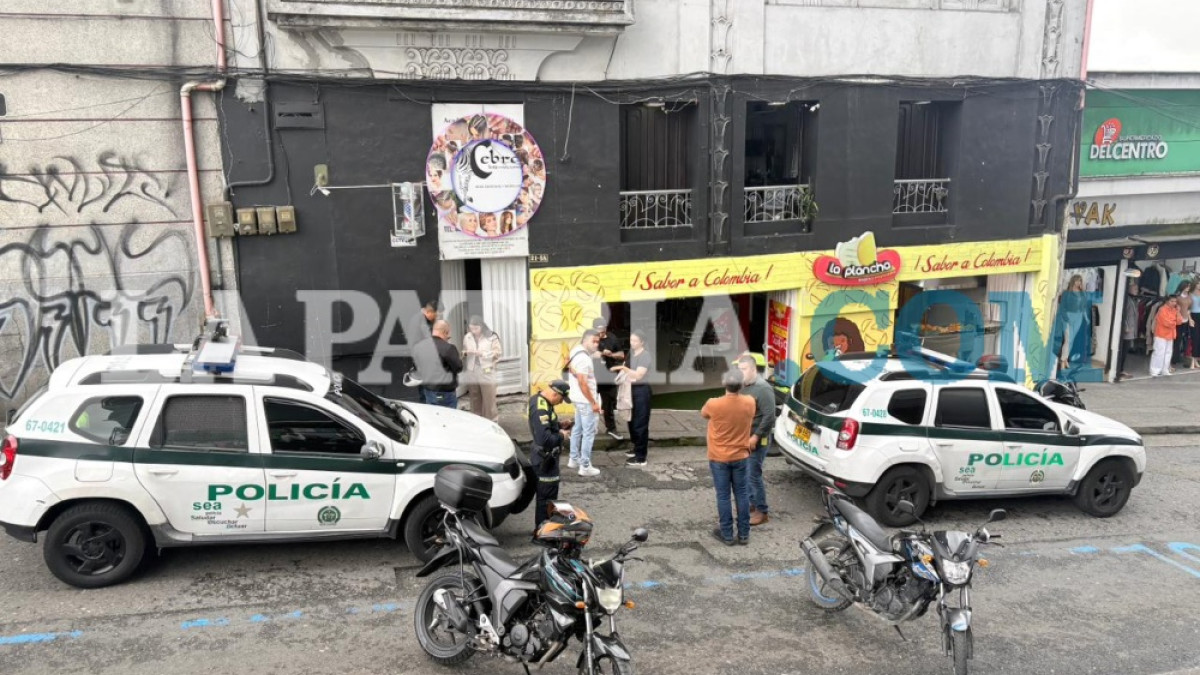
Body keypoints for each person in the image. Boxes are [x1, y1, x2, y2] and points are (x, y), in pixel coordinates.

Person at [701, 370, 755, 546]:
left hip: (719, 457)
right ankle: (744, 534)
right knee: (742, 494)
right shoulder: (750, 402)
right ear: (742, 385)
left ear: (724, 383)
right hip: (741, 456)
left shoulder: (713, 403)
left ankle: (727, 534)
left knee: (723, 496)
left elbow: (704, 414)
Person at [737, 353, 777, 527]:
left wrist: (755, 437)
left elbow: (769, 417)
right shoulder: (744, 386)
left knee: (753, 475)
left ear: (753, 369)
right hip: (743, 438)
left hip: (757, 440)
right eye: (739, 369)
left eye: (744, 369)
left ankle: (762, 511)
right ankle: (752, 505)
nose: (740, 372)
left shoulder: (763, 388)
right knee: (745, 474)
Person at [528, 380, 573, 529]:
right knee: (546, 498)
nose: (561, 403)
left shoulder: (541, 400)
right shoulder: (540, 408)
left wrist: (559, 425)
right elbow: (545, 439)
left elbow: (545, 427)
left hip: (546, 458)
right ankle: (543, 531)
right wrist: (562, 435)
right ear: (555, 394)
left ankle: (544, 529)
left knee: (547, 496)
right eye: (561, 399)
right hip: (545, 460)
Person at [613, 330, 652, 466]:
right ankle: (636, 447)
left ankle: (641, 457)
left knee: (640, 423)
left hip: (641, 391)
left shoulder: (645, 356)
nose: (632, 343)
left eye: (635, 341)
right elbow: (626, 366)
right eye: (631, 340)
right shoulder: (631, 352)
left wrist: (623, 369)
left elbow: (638, 375)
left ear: (642, 342)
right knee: (631, 420)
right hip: (630, 389)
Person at [567, 329, 602, 477]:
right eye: (594, 341)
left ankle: (573, 459)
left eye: (598, 342)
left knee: (577, 428)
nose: (596, 344)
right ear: (585, 340)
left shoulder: (576, 351)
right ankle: (585, 466)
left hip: (577, 398)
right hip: (585, 401)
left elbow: (570, 368)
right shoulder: (584, 359)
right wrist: (593, 402)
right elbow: (583, 382)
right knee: (589, 433)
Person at [591, 319, 626, 441]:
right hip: (592, 377)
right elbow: (587, 353)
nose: (600, 333)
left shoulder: (612, 338)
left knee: (609, 403)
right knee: (588, 404)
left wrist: (611, 354)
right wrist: (601, 352)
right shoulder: (590, 338)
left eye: (602, 329)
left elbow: (621, 355)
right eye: (598, 330)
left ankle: (611, 428)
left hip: (608, 376)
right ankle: (588, 428)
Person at [414, 320, 462, 407]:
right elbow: (458, 367)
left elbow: (416, 367)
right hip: (445, 392)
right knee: (448, 414)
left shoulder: (419, 346)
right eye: (448, 334)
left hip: (427, 390)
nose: (448, 337)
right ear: (445, 332)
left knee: (432, 413)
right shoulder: (448, 348)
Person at [462, 315, 502, 421]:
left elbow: (497, 353)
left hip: (487, 370)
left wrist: (483, 354)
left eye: (476, 328)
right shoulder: (467, 337)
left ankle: (492, 421)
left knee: (489, 398)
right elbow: (463, 351)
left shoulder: (492, 336)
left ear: (482, 326)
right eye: (471, 328)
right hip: (472, 370)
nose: (473, 331)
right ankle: (477, 421)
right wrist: (466, 353)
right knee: (474, 398)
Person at [407, 300, 440, 401]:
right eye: (436, 315)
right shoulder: (421, 321)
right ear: (430, 312)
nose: (436, 317)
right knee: (427, 386)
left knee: (422, 384)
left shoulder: (418, 317)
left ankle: (425, 402)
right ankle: (427, 405)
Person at [1150, 296, 1189, 377]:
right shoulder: (1162, 309)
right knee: (1159, 352)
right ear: (1167, 301)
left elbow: (1180, 321)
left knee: (1168, 353)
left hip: (1170, 334)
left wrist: (1178, 312)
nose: (1174, 303)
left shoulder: (1175, 310)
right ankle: (1155, 370)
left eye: (1175, 301)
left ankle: (1165, 369)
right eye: (1172, 301)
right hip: (1161, 334)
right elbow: (1166, 322)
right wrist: (1174, 322)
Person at [1115, 278, 1140, 382]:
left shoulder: (1133, 300)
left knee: (1125, 351)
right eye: (1134, 288)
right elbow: (1123, 314)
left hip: (1131, 329)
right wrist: (1125, 326)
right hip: (1127, 330)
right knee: (1122, 350)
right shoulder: (1127, 300)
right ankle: (1119, 370)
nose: (1136, 290)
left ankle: (1121, 369)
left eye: (1137, 289)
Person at [1191, 282, 1200, 369]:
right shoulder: (1191, 294)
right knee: (1195, 337)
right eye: (1198, 284)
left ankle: (1197, 358)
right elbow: (1188, 308)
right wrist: (1190, 319)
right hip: (1194, 315)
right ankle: (1194, 359)